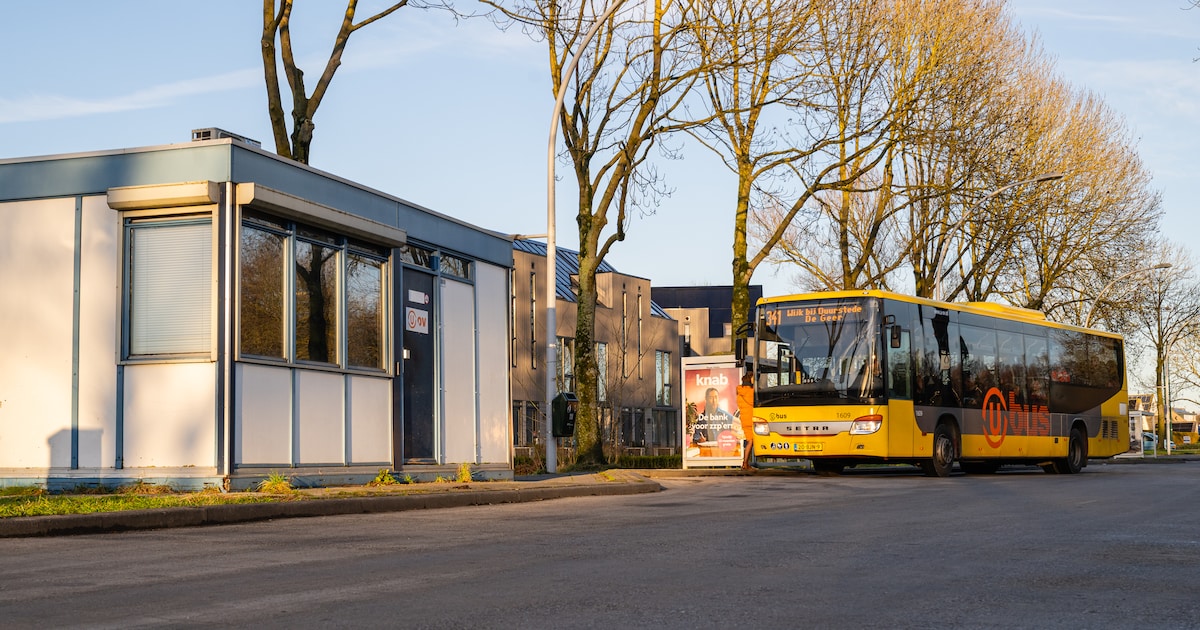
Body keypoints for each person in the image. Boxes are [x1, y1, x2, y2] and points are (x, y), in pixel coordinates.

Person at [737, 368, 756, 470]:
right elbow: (755, 402)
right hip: (750, 419)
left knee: (750, 441)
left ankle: (745, 463)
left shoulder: (740, 391)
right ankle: (745, 464)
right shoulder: (751, 392)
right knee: (751, 441)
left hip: (744, 419)